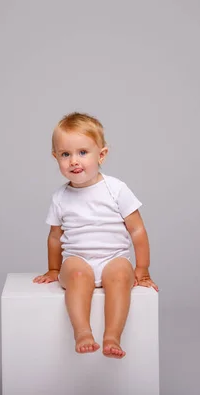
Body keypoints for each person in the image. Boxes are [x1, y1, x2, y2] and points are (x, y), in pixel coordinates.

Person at [33, 112, 158, 359]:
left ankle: (112, 335)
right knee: (78, 276)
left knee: (122, 277)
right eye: (65, 154)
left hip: (114, 258)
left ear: (101, 155)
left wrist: (142, 268)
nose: (73, 161)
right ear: (55, 157)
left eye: (82, 152)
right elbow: (55, 237)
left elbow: (137, 229)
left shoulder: (115, 189)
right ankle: (82, 332)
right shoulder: (60, 197)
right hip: (77, 259)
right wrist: (53, 269)